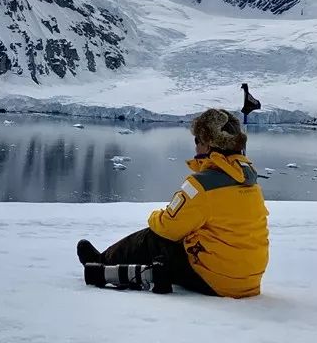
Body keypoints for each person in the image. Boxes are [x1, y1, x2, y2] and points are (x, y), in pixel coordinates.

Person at [76, 108, 269, 298]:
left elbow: (168, 227)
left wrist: (155, 216)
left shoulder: (202, 185)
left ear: (209, 145)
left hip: (219, 280)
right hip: (249, 281)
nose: (195, 147)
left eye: (198, 140)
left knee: (154, 238)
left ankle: (101, 261)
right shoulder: (250, 182)